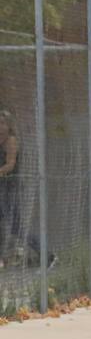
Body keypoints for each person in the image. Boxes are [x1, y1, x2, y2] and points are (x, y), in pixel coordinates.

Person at [0, 109, 21, 264]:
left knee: (15, 225)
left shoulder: (11, 141)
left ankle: (47, 253)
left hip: (8, 187)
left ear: (8, 125)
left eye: (2, 123)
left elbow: (10, 165)